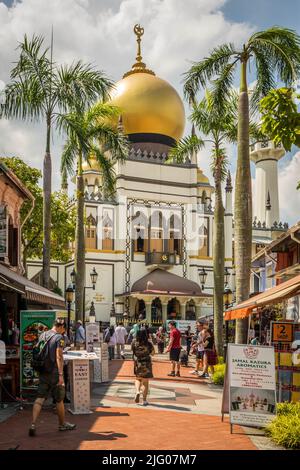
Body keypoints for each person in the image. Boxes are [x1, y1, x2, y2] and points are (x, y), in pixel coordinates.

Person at [29, 319, 76, 436]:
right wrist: (61, 375)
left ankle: (33, 424)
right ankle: (62, 424)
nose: (64, 331)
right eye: (64, 329)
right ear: (61, 327)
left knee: (40, 398)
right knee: (59, 399)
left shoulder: (44, 334)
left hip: (43, 371)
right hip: (54, 372)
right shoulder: (59, 338)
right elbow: (59, 356)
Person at [132, 328, 155, 406]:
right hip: (147, 363)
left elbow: (134, 352)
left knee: (138, 378)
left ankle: (137, 391)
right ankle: (144, 400)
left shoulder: (134, 343)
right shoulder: (148, 343)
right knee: (145, 382)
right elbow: (153, 353)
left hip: (138, 362)